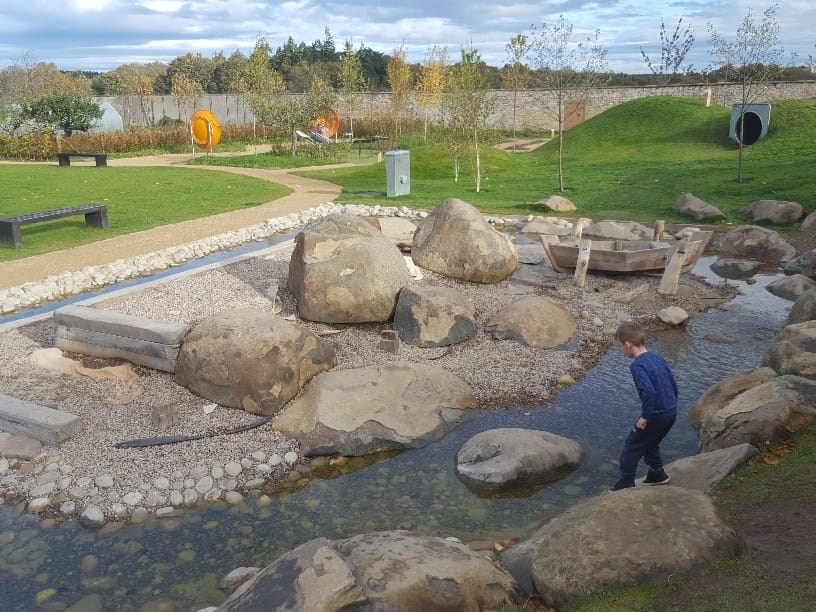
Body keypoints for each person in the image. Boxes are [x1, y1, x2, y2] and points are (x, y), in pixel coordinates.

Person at [610, 322, 678, 492]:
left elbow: (648, 392)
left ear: (627, 344)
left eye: (621, 346)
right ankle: (657, 473)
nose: (622, 350)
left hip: (655, 414)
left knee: (632, 445)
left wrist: (645, 417)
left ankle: (626, 481)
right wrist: (671, 404)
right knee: (651, 442)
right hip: (671, 410)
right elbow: (673, 383)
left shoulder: (638, 365)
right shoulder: (657, 358)